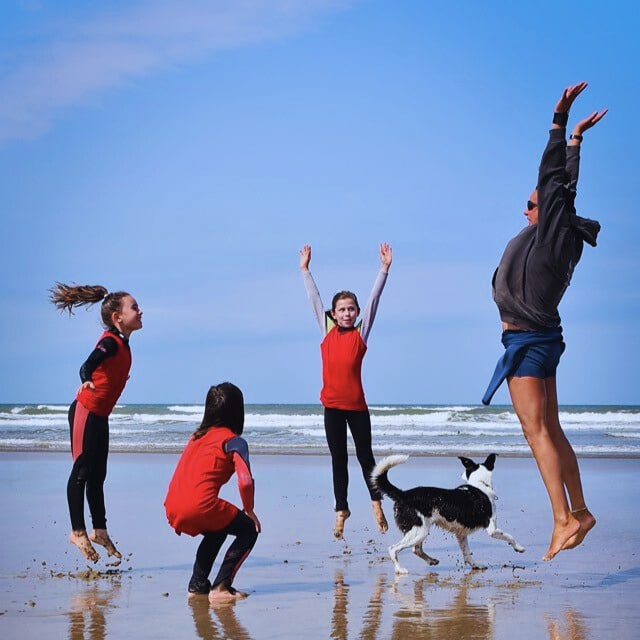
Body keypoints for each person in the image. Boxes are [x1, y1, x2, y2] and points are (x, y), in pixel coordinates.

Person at [483, 82, 607, 561]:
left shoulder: (553, 236)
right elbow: (563, 189)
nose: (526, 209)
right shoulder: (558, 234)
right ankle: (581, 510)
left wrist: (558, 120)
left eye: (531, 204)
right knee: (552, 429)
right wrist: (576, 143)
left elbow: (552, 181)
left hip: (530, 341)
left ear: (547, 211)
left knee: (537, 433)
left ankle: (562, 518)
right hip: (542, 337)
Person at [299, 243, 392, 540]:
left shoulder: (360, 335)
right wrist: (305, 270)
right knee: (338, 459)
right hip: (332, 407)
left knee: (366, 458)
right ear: (334, 313)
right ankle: (342, 510)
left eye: (352, 309)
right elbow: (314, 298)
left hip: (357, 407)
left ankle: (376, 502)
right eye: (342, 309)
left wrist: (384, 270)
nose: (348, 313)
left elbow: (374, 300)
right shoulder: (327, 331)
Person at [50, 283, 143, 563]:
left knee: (98, 475)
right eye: (134, 307)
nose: (140, 312)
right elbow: (86, 365)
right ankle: (77, 531)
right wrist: (86, 378)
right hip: (86, 412)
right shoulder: (110, 342)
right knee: (81, 472)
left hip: (100, 417)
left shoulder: (123, 345)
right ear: (118, 317)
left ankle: (99, 530)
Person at [164, 382, 261, 603]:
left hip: (172, 504)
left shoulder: (196, 437)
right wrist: (249, 510)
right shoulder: (235, 442)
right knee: (249, 530)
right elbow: (245, 481)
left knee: (218, 529)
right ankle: (220, 587)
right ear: (239, 412)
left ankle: (197, 585)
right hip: (200, 505)